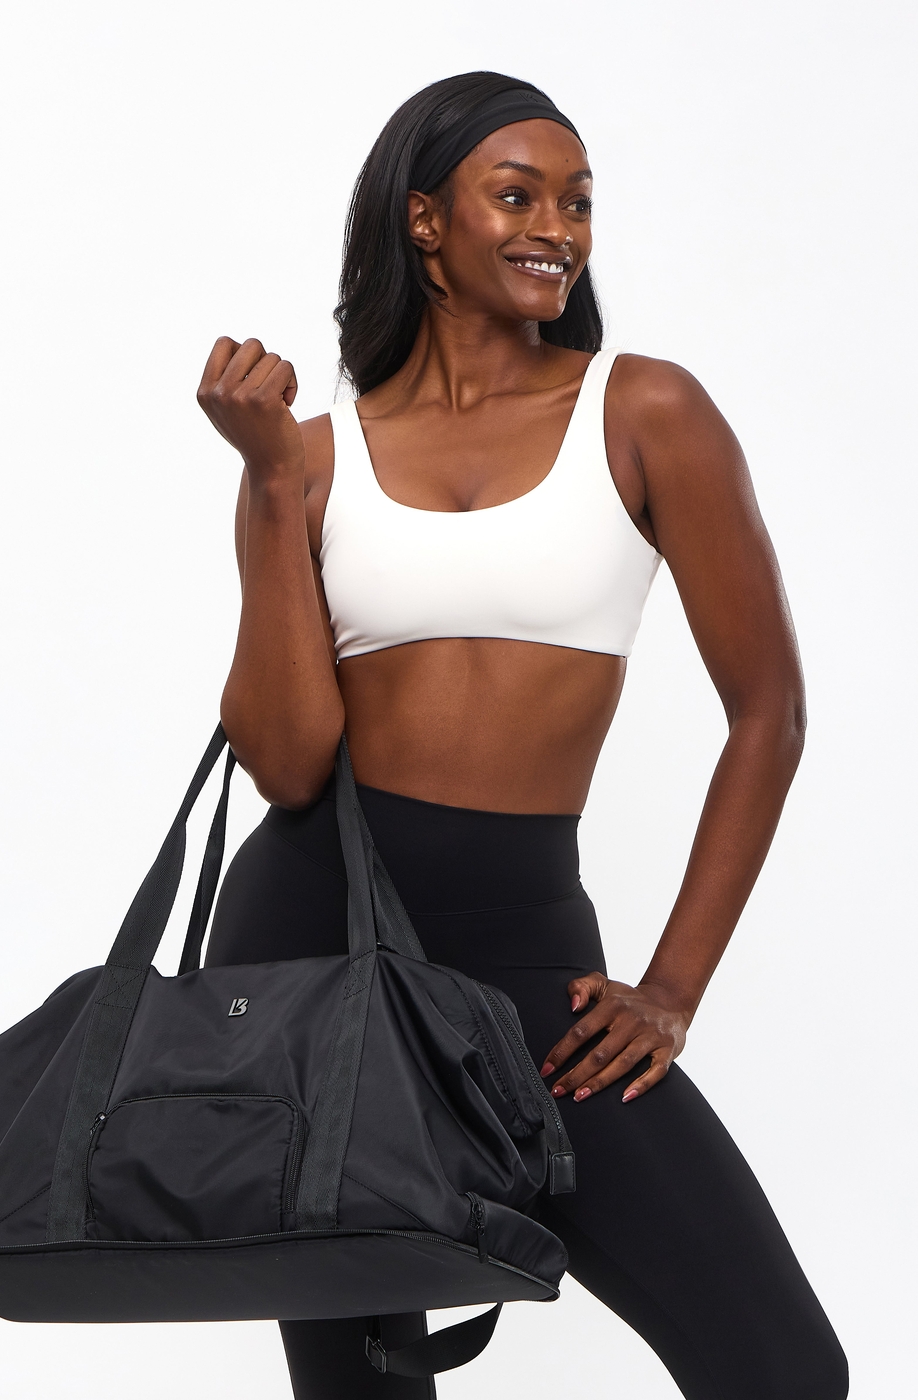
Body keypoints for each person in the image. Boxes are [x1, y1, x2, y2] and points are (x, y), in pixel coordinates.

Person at [195, 71, 848, 1400]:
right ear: (425, 221)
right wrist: (264, 482)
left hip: (525, 961)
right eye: (518, 196)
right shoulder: (310, 459)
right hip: (311, 951)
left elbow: (768, 713)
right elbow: (286, 761)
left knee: (778, 1367)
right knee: (365, 1388)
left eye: (578, 202)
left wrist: (670, 989)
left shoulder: (646, 413)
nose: (558, 228)